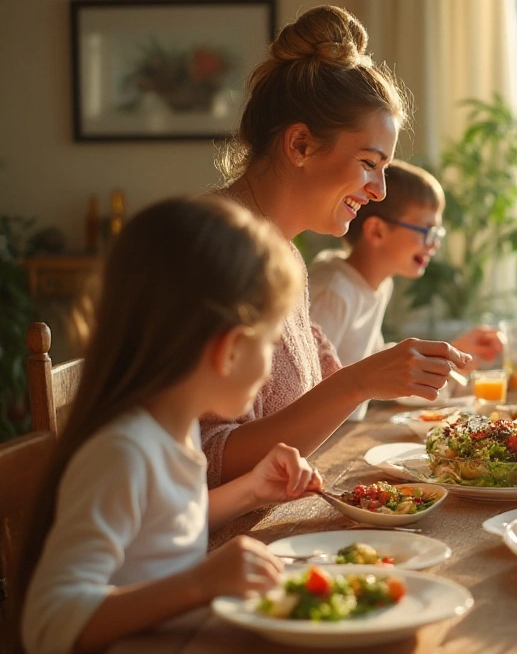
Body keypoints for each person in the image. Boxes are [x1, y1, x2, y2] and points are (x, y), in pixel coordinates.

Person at [21, 197, 323, 654]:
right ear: (231, 349)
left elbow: (157, 532)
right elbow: (48, 625)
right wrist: (197, 584)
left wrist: (252, 490)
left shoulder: (171, 430)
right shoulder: (121, 452)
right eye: (270, 339)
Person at [203, 5, 471, 487]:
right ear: (300, 145)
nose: (380, 192)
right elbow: (206, 465)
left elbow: (327, 386)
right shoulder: (208, 255)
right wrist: (360, 381)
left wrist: (388, 373)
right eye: (370, 162)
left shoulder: (283, 254)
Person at [309, 160, 503, 420]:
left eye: (437, 233)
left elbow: (371, 364)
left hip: (341, 430)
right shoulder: (334, 291)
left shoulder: (376, 286)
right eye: (426, 230)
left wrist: (445, 358)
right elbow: (304, 386)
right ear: (377, 231)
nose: (434, 245)